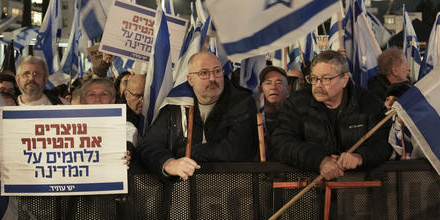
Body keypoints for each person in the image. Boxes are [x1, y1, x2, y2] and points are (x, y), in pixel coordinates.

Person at [271, 50, 393, 180]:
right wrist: (320, 160)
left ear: (344, 80)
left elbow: (384, 142)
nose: (318, 85)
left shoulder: (369, 103)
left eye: (326, 79)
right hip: (310, 187)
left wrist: (360, 157)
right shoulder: (296, 103)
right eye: (313, 79)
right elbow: (281, 142)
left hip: (358, 188)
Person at [138, 51, 257, 180]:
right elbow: (148, 145)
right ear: (190, 80)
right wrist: (169, 163)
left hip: (232, 184)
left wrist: (186, 154)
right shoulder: (176, 103)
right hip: (184, 187)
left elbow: (235, 151)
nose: (213, 78)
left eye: (217, 71)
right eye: (204, 73)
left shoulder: (242, 102)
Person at [257, 66, 290, 137]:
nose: (273, 87)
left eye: (279, 83)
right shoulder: (252, 121)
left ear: (288, 90)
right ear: (260, 90)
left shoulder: (296, 120)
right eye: (268, 83)